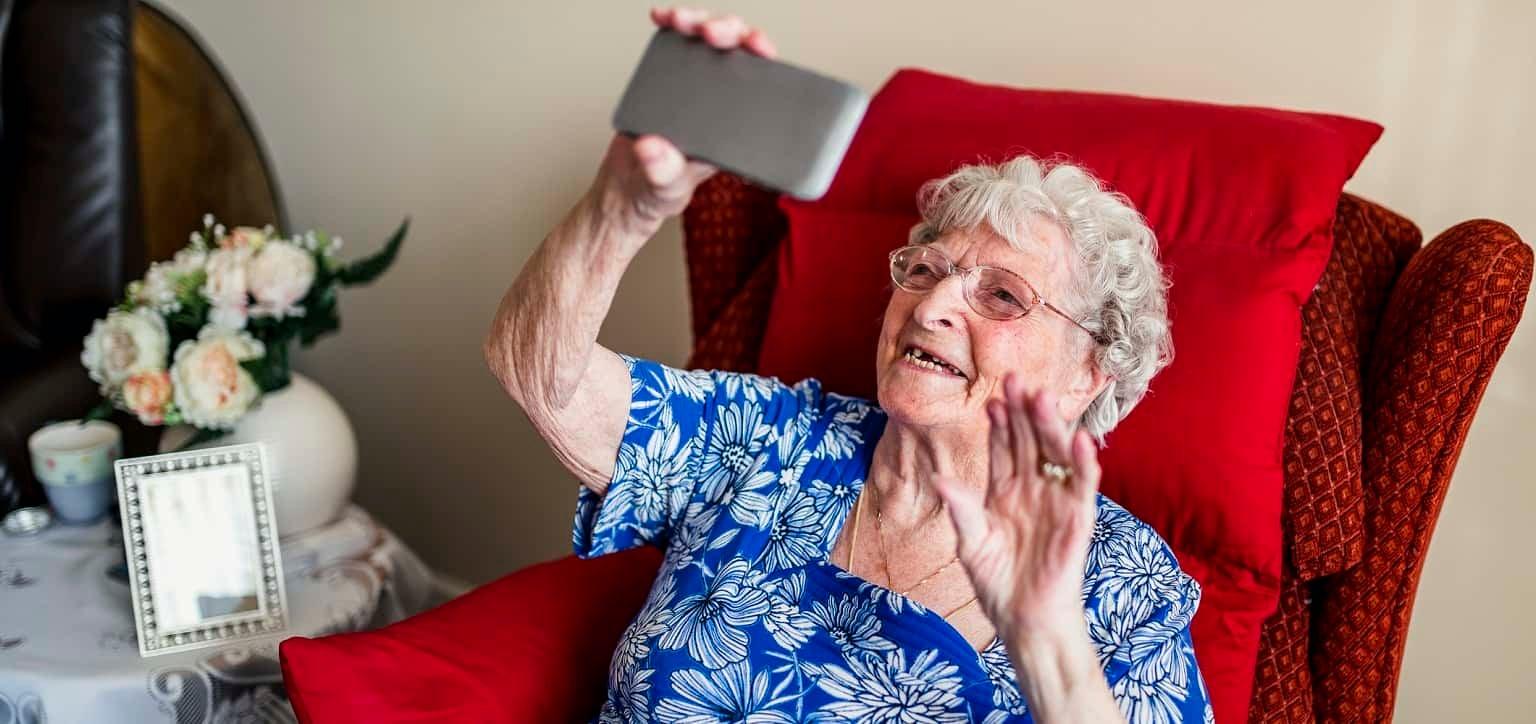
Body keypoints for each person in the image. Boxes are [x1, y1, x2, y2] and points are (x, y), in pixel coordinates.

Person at [485, 7, 1212, 722]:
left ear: (1086, 375)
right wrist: (622, 205)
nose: (931, 306)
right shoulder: (773, 440)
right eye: (925, 270)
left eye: (1001, 295)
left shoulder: (1125, 584)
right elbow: (539, 374)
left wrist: (1049, 646)